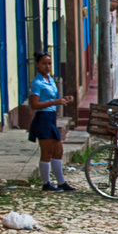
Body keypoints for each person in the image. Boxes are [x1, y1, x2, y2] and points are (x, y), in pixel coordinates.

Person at [27, 53, 76, 192]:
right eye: (44, 63)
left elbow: (53, 97)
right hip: (42, 118)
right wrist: (56, 102)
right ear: (37, 65)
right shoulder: (37, 83)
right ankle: (46, 183)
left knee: (58, 150)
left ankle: (61, 182)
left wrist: (64, 99)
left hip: (51, 117)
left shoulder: (50, 80)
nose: (47, 66)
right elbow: (34, 104)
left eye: (49, 63)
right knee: (47, 152)